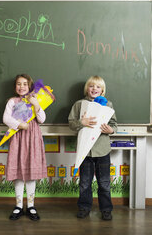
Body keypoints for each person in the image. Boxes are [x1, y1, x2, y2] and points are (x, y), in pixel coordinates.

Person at [68, 75, 117, 221]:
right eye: (91, 86)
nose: (94, 89)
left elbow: (114, 124)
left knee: (104, 183)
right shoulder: (79, 104)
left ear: (102, 90)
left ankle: (106, 209)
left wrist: (111, 130)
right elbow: (71, 123)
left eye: (98, 87)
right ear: (86, 89)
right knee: (84, 182)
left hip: (102, 150)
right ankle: (84, 208)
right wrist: (81, 122)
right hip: (85, 152)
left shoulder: (108, 105)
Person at [3, 74, 47, 221]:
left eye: (24, 84)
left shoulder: (35, 100)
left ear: (30, 86)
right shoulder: (12, 101)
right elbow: (6, 118)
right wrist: (19, 125)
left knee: (31, 172)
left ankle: (31, 205)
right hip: (17, 137)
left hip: (32, 138)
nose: (21, 87)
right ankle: (18, 205)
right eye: (18, 84)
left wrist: (36, 105)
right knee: (19, 172)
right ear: (15, 86)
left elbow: (41, 119)